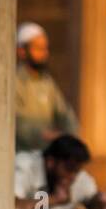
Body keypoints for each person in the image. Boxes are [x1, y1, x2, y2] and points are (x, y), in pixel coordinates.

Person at [15, 22, 79, 153]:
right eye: (38, 48)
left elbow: (64, 113)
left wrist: (71, 135)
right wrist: (46, 136)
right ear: (21, 51)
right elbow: (18, 125)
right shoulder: (13, 81)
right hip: (20, 156)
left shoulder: (47, 81)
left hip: (46, 155)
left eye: (45, 48)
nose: (44, 53)